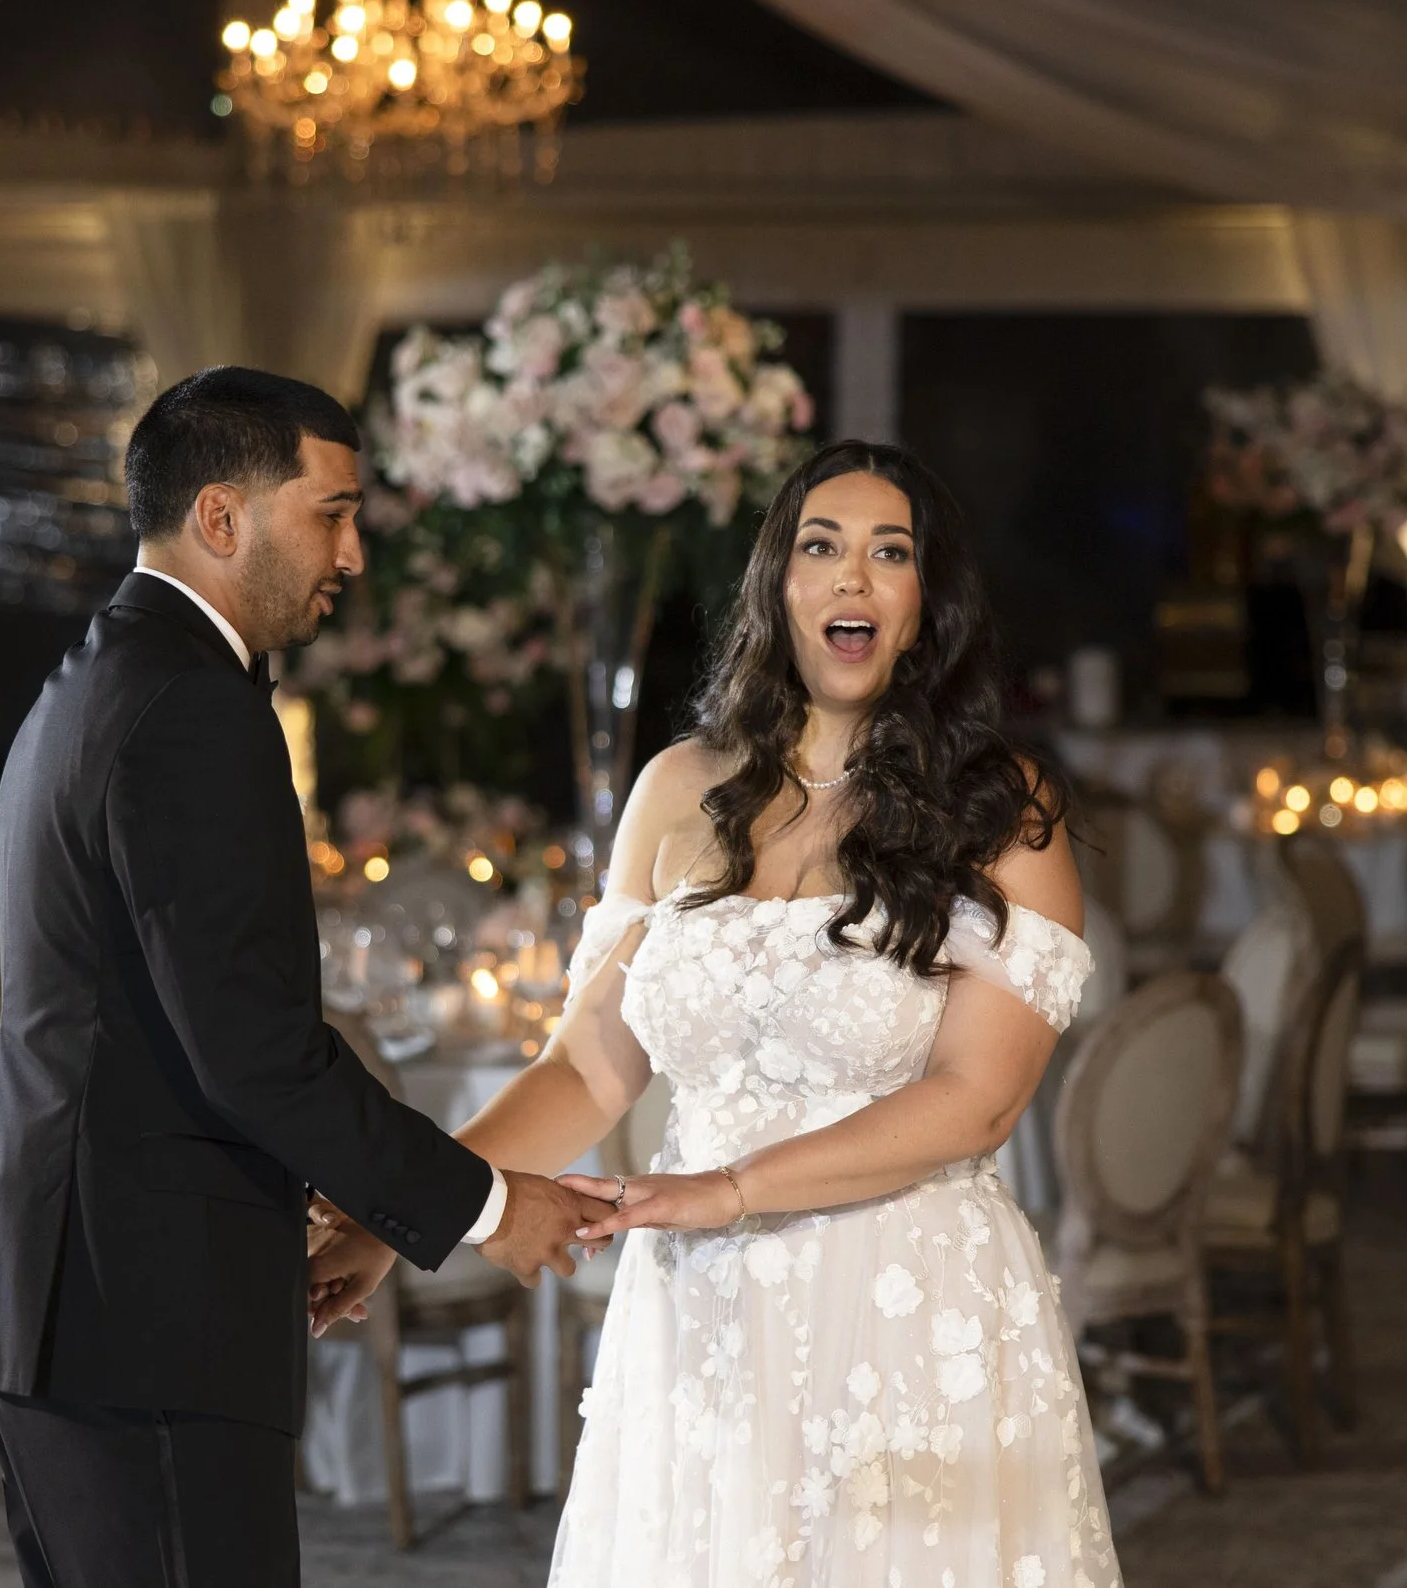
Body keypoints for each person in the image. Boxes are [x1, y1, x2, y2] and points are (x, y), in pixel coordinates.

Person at [312, 439, 1122, 1587]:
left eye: (888, 554)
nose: (851, 578)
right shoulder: (676, 788)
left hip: (902, 1301)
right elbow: (585, 1070)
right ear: (777, 584)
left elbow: (977, 1101)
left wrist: (724, 1190)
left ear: (924, 600)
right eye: (820, 547)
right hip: (699, 1312)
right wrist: (402, 1218)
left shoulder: (999, 804)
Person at [0, 366, 613, 1588]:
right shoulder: (191, 705)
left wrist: (360, 1219)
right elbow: (251, 1048)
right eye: (332, 512)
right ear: (221, 516)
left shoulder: (100, 675)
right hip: (141, 1316)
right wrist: (491, 1209)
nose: (353, 553)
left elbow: (176, 1020)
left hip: (75, 1293)